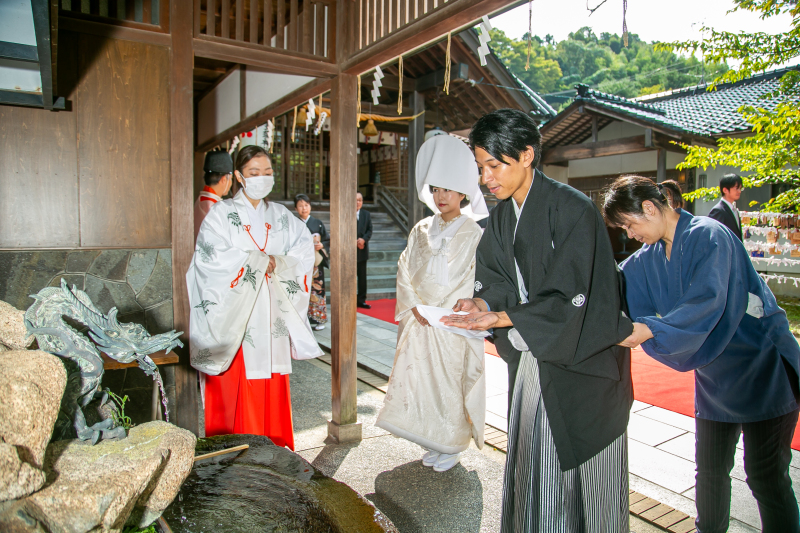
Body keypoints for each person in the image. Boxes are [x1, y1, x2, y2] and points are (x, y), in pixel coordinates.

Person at [443, 109, 634, 532]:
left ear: (527, 155)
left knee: (591, 481)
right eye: (480, 168)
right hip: (534, 353)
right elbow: (497, 278)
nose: (485, 178)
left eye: (494, 165)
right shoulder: (503, 216)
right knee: (538, 468)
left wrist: (504, 316)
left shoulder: (573, 208)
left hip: (581, 363)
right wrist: (481, 303)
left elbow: (575, 295)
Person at [604, 175, 800, 533]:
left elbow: (707, 300)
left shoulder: (709, 234)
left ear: (649, 208)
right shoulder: (647, 258)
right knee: (709, 472)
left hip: (762, 365)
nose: (630, 235)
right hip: (715, 375)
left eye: (630, 225)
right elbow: (611, 287)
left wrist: (651, 329)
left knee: (765, 475)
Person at [187, 145, 322, 450]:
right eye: (254, 172)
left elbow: (303, 251)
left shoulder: (281, 216)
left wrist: (279, 262)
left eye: (267, 172)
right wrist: (259, 261)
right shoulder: (221, 215)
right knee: (236, 387)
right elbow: (209, 260)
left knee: (270, 381)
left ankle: (274, 456)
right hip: (238, 317)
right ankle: (232, 458)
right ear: (238, 176)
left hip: (271, 313)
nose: (262, 178)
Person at [376, 134, 489, 472]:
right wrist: (414, 305)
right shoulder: (421, 228)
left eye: (449, 190)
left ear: (463, 193)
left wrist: (445, 310)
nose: (441, 197)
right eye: (436, 189)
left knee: (448, 382)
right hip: (420, 319)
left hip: (451, 322)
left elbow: (472, 276)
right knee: (421, 382)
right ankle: (430, 438)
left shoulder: (473, 232)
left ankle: (450, 444)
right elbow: (405, 266)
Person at [294, 193, 329, 331]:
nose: (304, 208)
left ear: (310, 207)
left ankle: (319, 319)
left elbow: (326, 239)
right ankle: (302, 319)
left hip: (315, 263)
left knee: (317, 289)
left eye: (306, 205)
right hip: (300, 262)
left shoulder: (317, 223)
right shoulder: (294, 224)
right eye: (300, 206)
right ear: (296, 208)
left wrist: (322, 245)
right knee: (301, 289)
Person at [195, 150, 234, 237]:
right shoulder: (215, 207)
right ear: (224, 180)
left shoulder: (200, 200)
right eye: (231, 179)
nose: (231, 183)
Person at [707, 173, 743, 241]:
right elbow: (713, 236)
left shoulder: (734, 210)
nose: (739, 191)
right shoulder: (718, 210)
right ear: (725, 190)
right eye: (736, 188)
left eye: (740, 188)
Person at [356, 192, 373, 309]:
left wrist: (363, 240)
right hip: (350, 251)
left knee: (362, 278)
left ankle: (361, 300)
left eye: (360, 200)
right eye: (355, 200)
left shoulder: (366, 214)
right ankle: (350, 299)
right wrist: (354, 241)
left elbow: (369, 229)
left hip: (362, 250)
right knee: (350, 277)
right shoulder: (347, 213)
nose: (358, 202)